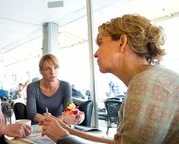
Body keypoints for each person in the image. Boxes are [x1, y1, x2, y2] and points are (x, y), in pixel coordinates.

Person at [41, 14, 179, 144]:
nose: (95, 53)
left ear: (122, 42)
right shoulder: (151, 78)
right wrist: (68, 131)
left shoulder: (148, 84)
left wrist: (63, 138)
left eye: (100, 43)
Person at [26, 54, 83, 125]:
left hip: (60, 124)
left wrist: (54, 122)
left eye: (55, 67)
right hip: (39, 125)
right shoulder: (32, 87)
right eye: (48, 68)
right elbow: (31, 113)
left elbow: (69, 111)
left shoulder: (65, 86)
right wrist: (46, 120)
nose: (53, 72)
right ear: (41, 71)